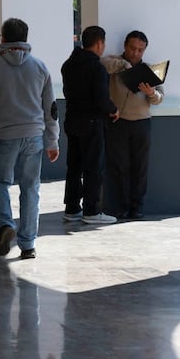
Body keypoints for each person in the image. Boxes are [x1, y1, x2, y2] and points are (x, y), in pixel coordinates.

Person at [0, 18, 60, 260]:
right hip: (34, 136)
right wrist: (53, 141)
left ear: (2, 38)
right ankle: (28, 244)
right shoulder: (40, 67)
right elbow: (50, 109)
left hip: (4, 135)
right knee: (30, 188)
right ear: (26, 38)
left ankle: (4, 225)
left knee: (0, 182)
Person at [60, 25, 120, 226]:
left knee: (74, 166)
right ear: (99, 43)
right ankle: (92, 210)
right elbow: (101, 100)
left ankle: (72, 208)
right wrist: (113, 109)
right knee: (93, 167)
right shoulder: (96, 68)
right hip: (92, 122)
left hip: (72, 119)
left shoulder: (68, 65)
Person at [101, 30, 163, 219]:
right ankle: (121, 206)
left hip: (142, 123)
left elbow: (159, 98)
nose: (135, 53)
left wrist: (151, 92)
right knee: (119, 166)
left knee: (140, 166)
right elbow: (101, 64)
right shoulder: (115, 63)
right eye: (132, 48)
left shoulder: (150, 70)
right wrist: (125, 65)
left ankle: (137, 207)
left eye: (140, 50)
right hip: (118, 122)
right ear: (125, 47)